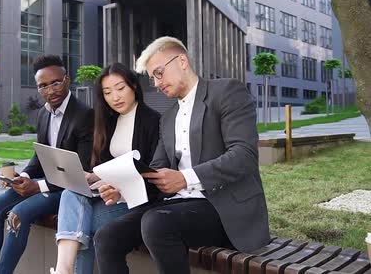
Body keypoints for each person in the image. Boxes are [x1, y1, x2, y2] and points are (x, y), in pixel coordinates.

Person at [94, 36, 270, 274]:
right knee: (107, 236)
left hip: (224, 207)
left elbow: (244, 156)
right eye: (152, 78)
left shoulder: (227, 91)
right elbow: (154, 171)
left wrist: (185, 178)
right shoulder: (167, 118)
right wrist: (123, 189)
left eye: (159, 73)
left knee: (156, 223)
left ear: (183, 62)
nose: (156, 83)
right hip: (178, 206)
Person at [0, 54, 94, 274]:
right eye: (43, 86)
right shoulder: (43, 114)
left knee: (17, 215)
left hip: (70, 191)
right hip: (44, 183)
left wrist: (37, 187)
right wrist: (24, 177)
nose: (50, 90)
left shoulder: (85, 115)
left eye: (56, 82)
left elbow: (81, 172)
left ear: (67, 79)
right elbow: (40, 156)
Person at [51, 63, 161, 274]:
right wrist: (93, 176)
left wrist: (116, 184)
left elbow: (153, 172)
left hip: (135, 201)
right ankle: (63, 269)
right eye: (108, 92)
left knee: (82, 225)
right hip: (107, 195)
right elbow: (107, 165)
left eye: (120, 88)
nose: (115, 97)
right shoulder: (108, 122)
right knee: (70, 194)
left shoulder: (153, 121)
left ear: (134, 87)